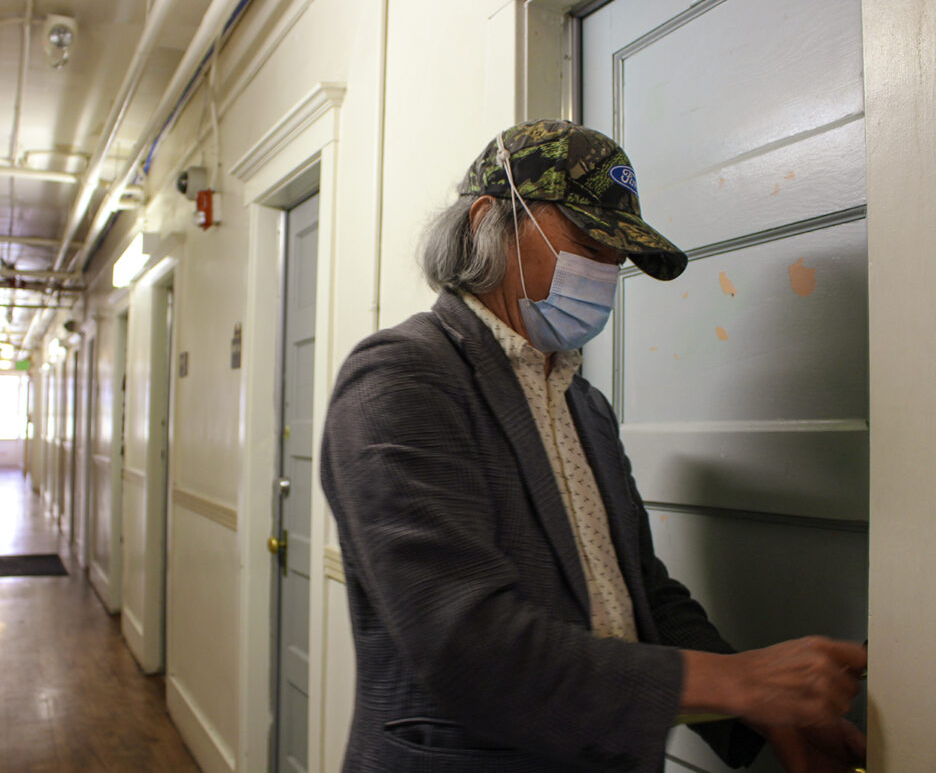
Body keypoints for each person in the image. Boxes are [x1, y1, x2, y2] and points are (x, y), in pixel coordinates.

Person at [319, 119, 867, 772]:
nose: (605, 273)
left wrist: (758, 711)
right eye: (588, 244)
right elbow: (463, 641)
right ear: (489, 221)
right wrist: (743, 680)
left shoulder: (583, 403)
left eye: (618, 259)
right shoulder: (402, 378)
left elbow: (642, 591)